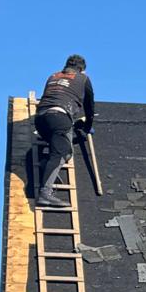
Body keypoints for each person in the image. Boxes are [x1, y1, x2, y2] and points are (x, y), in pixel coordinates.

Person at [33, 55, 94, 210]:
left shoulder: (53, 76)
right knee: (63, 152)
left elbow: (57, 96)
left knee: (58, 145)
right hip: (59, 117)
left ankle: (45, 164)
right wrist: (87, 127)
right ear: (82, 69)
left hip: (41, 119)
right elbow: (89, 107)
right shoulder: (83, 79)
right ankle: (45, 193)